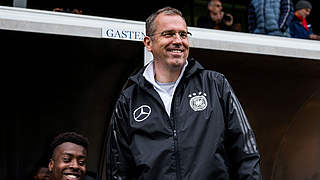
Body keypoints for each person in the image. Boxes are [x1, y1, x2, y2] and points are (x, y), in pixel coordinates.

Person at [106, 6, 262, 179]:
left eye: (183, 34)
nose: (178, 40)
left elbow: (246, 153)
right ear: (148, 43)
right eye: (169, 34)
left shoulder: (216, 85)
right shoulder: (129, 99)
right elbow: (118, 169)